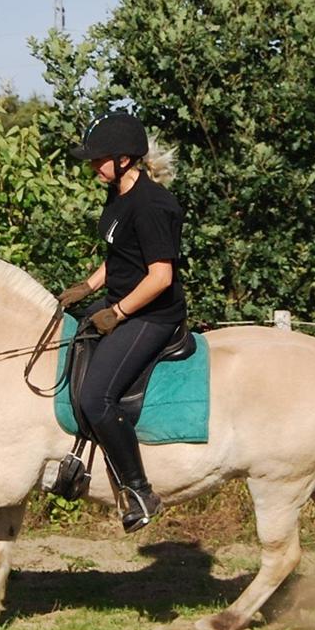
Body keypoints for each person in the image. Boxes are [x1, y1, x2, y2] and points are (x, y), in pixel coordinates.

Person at [57, 111, 187, 533]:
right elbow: (121, 257)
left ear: (126, 159)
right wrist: (87, 286)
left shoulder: (151, 205)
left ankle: (139, 491)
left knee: (97, 397)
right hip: (122, 302)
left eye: (100, 159)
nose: (94, 166)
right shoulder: (119, 195)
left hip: (152, 315)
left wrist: (118, 312)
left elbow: (160, 276)